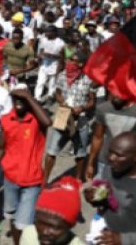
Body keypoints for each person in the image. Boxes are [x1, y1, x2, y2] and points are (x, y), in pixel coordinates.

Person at [0, 87, 52, 244]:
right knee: (13, 217)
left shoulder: (36, 121)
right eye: (16, 99)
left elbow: (48, 122)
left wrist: (28, 96)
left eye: (24, 100)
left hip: (32, 181)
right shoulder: (6, 120)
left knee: (24, 224)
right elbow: (0, 148)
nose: (19, 102)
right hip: (10, 180)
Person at [43, 52, 95, 183]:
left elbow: (91, 101)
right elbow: (58, 93)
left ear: (81, 64)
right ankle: (44, 180)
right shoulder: (62, 76)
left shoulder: (88, 79)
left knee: (80, 152)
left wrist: (82, 108)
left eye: (73, 60)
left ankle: (77, 179)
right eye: (69, 59)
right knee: (52, 150)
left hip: (80, 119)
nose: (69, 62)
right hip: (63, 115)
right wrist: (62, 103)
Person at [85, 92, 136, 181]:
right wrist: (90, 164)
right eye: (113, 90)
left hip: (129, 164)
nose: (116, 94)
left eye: (120, 91)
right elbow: (97, 137)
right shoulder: (103, 109)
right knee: (102, 192)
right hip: (105, 161)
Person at [18, 176, 83, 245]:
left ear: (70, 226)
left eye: (54, 227)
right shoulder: (29, 235)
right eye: (40, 223)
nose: (44, 232)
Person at [35, 25, 64, 103]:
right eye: (46, 31)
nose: (46, 33)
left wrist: (51, 55)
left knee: (52, 83)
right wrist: (39, 59)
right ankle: (37, 98)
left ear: (54, 33)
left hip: (54, 65)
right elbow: (40, 50)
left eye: (48, 32)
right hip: (44, 64)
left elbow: (62, 56)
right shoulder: (43, 40)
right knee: (40, 81)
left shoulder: (60, 43)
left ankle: (50, 97)